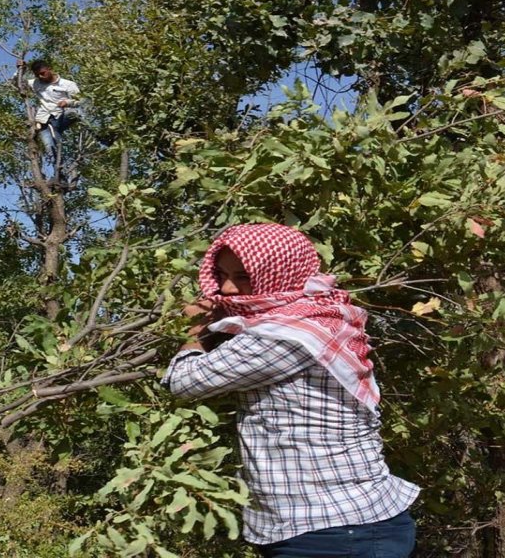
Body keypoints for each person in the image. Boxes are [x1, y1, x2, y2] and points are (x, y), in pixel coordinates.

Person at [163, 223, 419, 558]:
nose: (225, 289)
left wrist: (194, 331)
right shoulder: (315, 312)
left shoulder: (283, 337)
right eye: (221, 274)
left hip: (335, 530)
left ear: (279, 273)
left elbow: (183, 382)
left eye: (242, 277)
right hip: (340, 524)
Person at [22, 59, 80, 163]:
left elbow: (80, 100)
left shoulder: (67, 84)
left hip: (61, 115)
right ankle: (59, 172)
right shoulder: (35, 83)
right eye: (37, 75)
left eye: (42, 73)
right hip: (44, 120)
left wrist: (67, 102)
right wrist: (21, 70)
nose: (40, 77)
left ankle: (103, 135)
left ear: (49, 69)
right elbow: (18, 84)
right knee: (50, 148)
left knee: (77, 113)